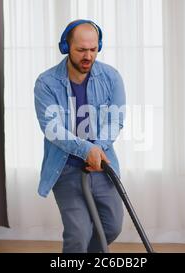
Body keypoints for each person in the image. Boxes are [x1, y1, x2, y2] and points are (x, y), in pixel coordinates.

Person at [34, 19, 126, 253]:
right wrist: (86, 150)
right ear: (66, 47)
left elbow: (115, 120)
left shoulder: (111, 78)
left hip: (102, 167)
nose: (88, 56)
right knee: (78, 235)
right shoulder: (46, 83)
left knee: (112, 226)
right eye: (81, 49)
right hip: (66, 169)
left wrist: (97, 148)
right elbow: (52, 128)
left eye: (93, 49)